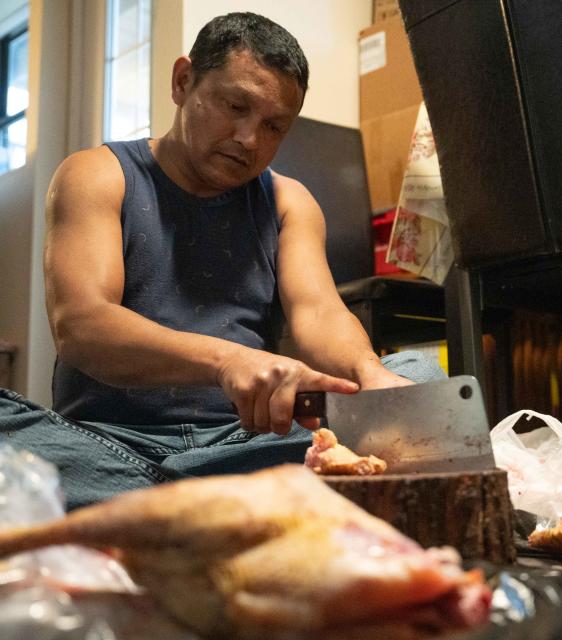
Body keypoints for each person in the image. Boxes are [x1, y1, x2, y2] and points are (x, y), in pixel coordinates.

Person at [0, 12, 443, 510]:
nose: (250, 139)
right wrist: (228, 361)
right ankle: (231, 504)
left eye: (274, 126)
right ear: (183, 81)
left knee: (417, 374)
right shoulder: (97, 174)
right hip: (107, 445)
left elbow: (317, 312)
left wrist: (369, 374)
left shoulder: (289, 201)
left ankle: (156, 511)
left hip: (245, 445)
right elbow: (82, 326)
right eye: (235, 106)